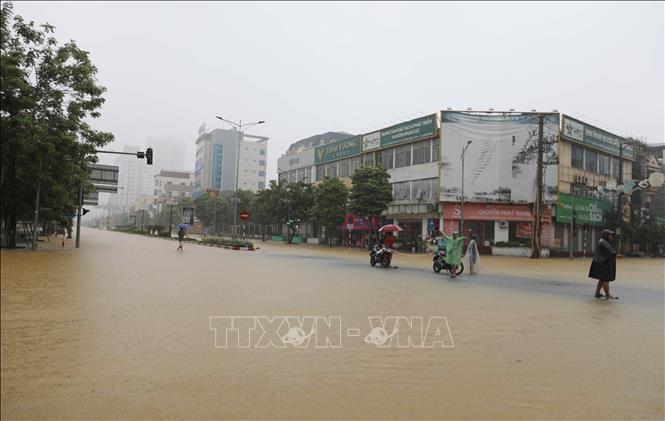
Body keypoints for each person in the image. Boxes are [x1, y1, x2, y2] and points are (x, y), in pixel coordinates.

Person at [588, 229, 622, 299]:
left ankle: (597, 293)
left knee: (602, 278)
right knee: (605, 279)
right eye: (610, 235)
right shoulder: (604, 242)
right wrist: (617, 255)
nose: (611, 236)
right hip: (602, 263)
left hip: (601, 262)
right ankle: (608, 295)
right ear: (606, 235)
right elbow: (610, 250)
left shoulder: (603, 241)